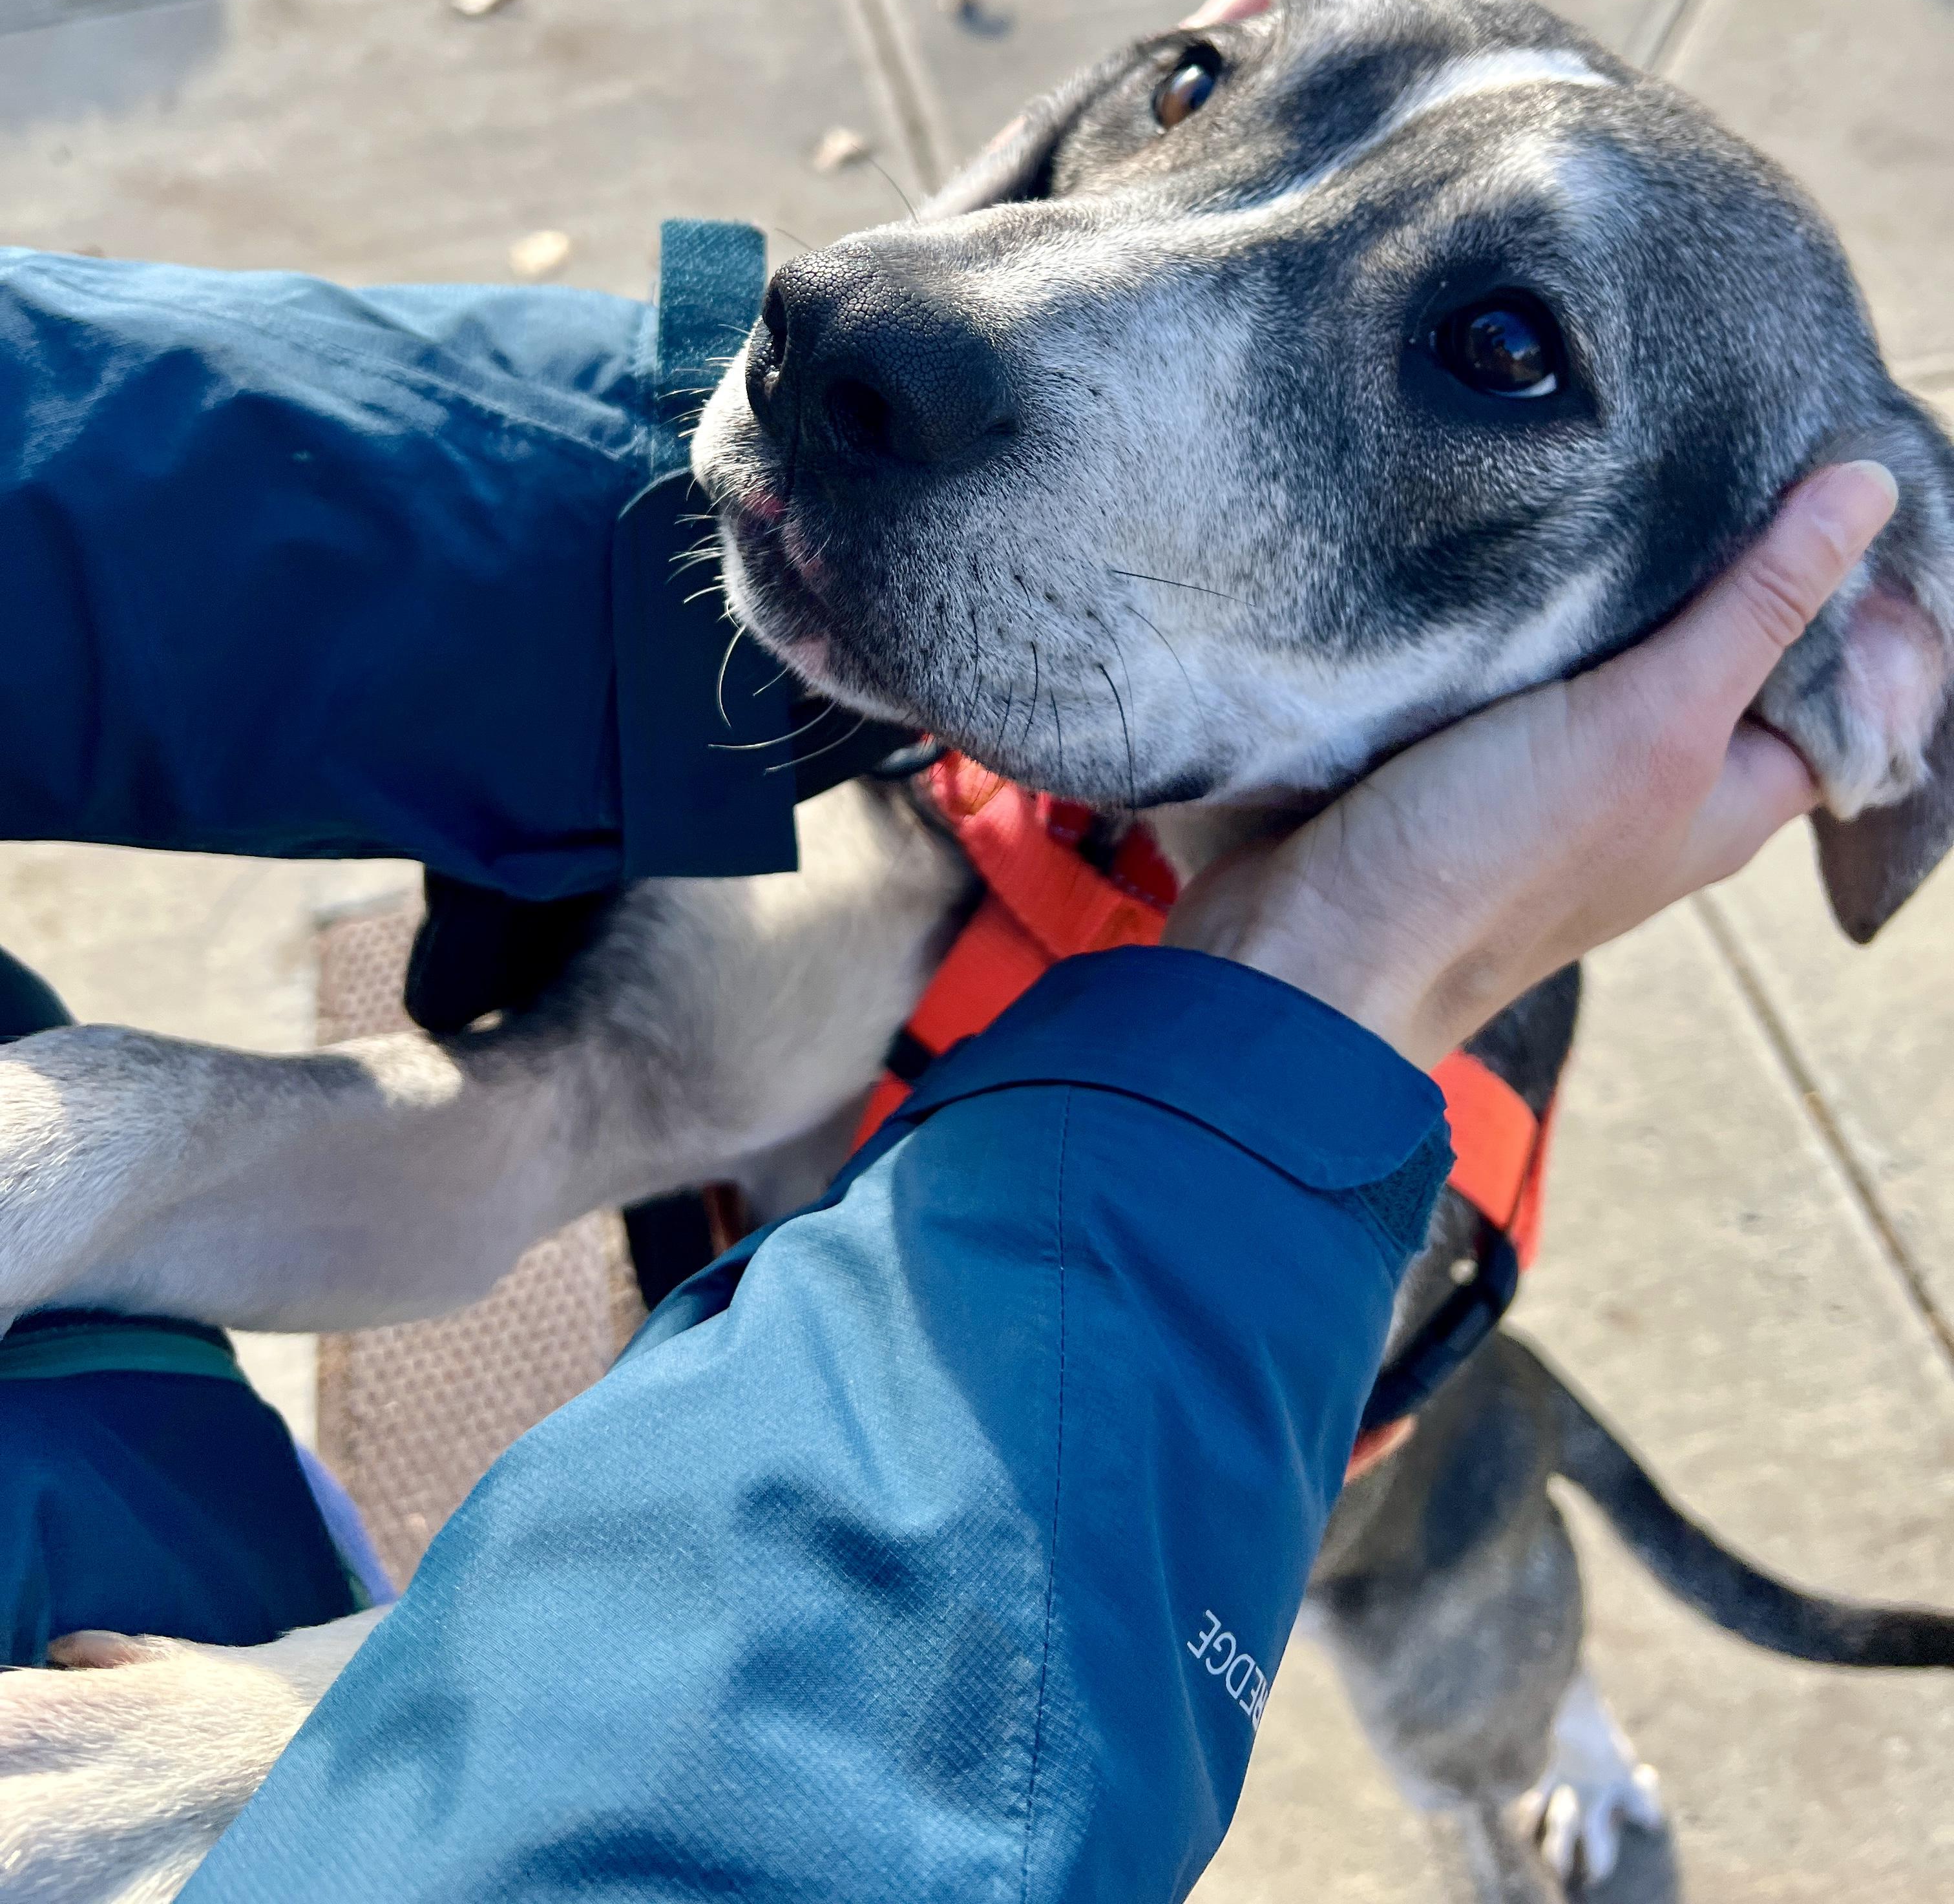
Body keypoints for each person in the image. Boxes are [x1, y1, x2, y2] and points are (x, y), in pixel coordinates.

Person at [0, 402, 1895, 1899]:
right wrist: (73, 1140)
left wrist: (327, 1730)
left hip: (1366, 1511)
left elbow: (955, 1651)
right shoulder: (930, 820)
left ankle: (1549, 1768)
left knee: (1470, 1719)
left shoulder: (1413, 1111)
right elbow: (494, 1149)